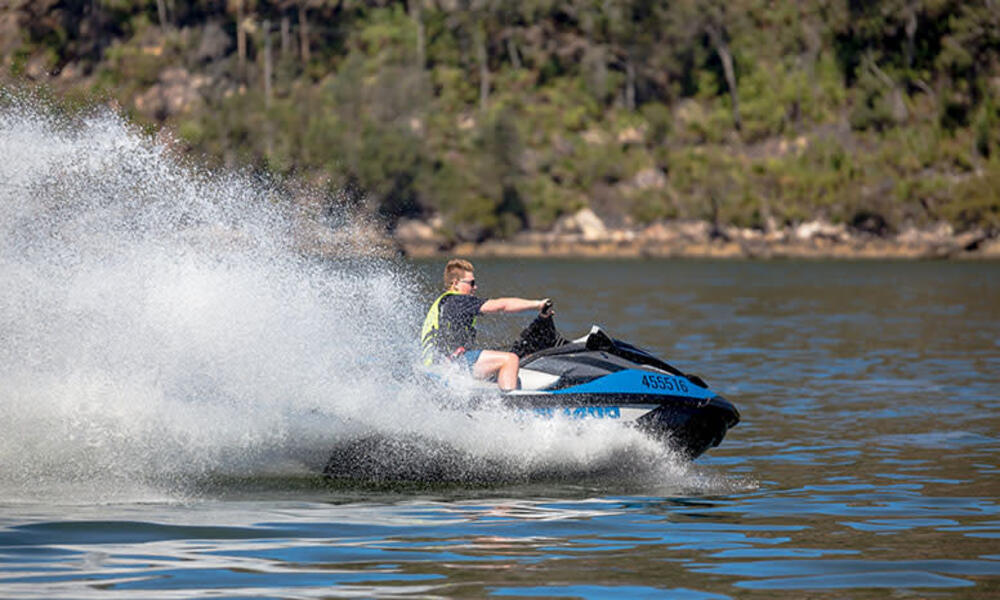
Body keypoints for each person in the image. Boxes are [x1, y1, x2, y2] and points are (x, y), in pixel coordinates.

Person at [421, 258, 550, 391]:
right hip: (449, 365)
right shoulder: (457, 301)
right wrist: (538, 304)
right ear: (456, 284)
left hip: (440, 365)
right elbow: (502, 305)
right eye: (472, 283)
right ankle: (511, 407)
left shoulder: (446, 302)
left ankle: (503, 394)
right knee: (510, 360)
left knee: (506, 364)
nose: (475, 287)